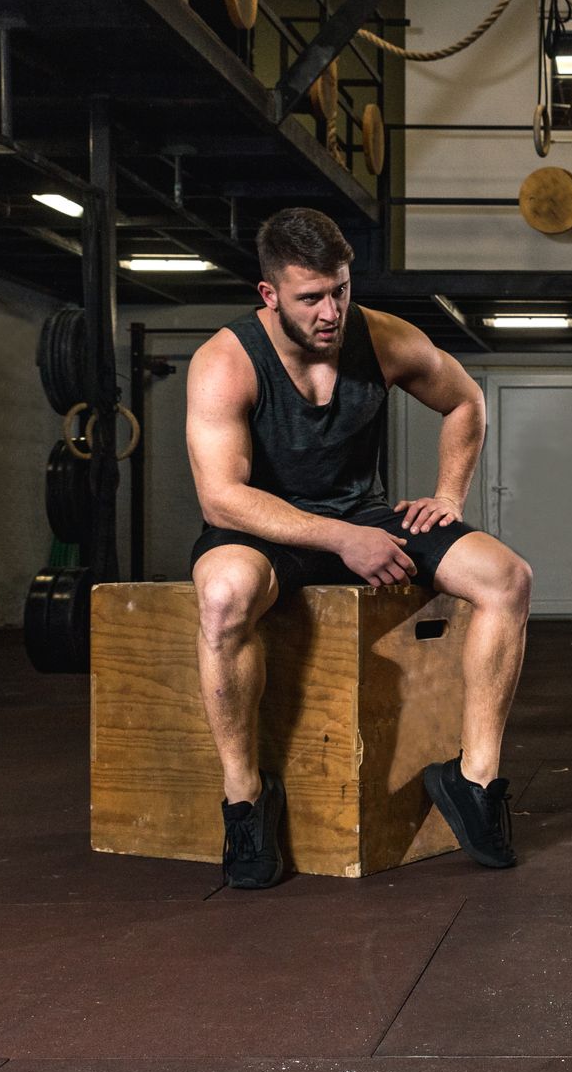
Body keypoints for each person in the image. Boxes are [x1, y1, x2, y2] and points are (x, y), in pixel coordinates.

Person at [184, 207, 529, 886]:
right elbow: (221, 496)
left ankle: (475, 781)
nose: (330, 311)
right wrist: (343, 538)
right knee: (223, 597)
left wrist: (448, 497)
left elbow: (465, 402)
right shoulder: (225, 361)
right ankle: (245, 798)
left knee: (506, 578)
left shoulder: (383, 338)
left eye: (339, 290)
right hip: (261, 522)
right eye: (310, 297)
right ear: (269, 295)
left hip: (364, 514)